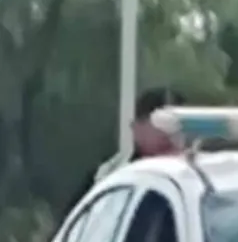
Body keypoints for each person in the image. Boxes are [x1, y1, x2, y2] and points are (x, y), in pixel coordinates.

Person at [65, 86, 187, 214]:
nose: (168, 133)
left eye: (177, 125)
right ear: (136, 128)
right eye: (159, 123)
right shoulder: (108, 178)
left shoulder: (201, 181)